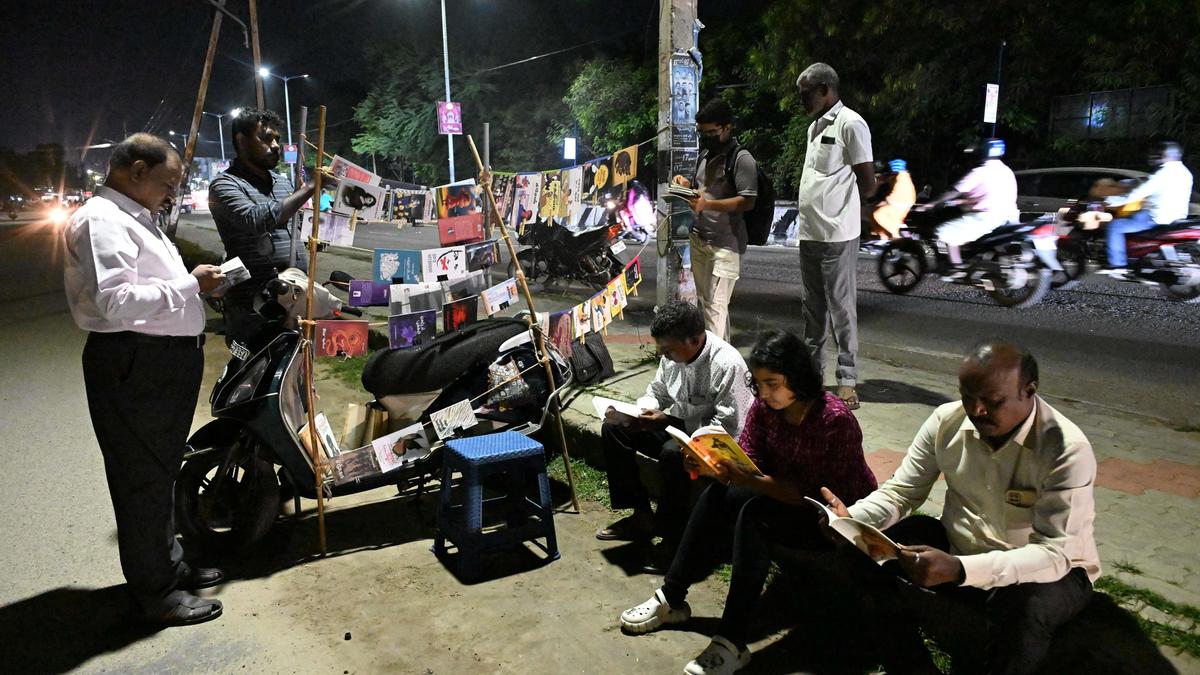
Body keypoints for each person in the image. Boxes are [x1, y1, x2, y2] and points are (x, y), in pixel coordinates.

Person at [820, 342, 1099, 674]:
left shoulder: (1065, 449)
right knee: (862, 549)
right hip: (959, 546)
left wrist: (958, 569)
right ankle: (910, 665)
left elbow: (1054, 553)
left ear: (1029, 390)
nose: (976, 410)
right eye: (968, 395)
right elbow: (902, 493)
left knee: (1023, 606)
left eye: (992, 400)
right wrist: (851, 518)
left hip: (1050, 570)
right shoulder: (947, 421)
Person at [618, 330, 878, 675]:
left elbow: (815, 495)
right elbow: (750, 457)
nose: (764, 393)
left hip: (831, 519)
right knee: (720, 493)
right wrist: (711, 464)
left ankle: (732, 639)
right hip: (778, 495)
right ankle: (671, 598)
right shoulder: (766, 408)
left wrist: (751, 480)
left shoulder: (833, 420)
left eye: (773, 384)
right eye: (759, 384)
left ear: (797, 377)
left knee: (754, 514)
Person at [63, 134, 228, 626]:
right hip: (136, 363)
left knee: (159, 472)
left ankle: (168, 566)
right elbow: (117, 301)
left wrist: (198, 292)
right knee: (141, 480)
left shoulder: (135, 218)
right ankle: (157, 593)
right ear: (136, 171)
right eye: (167, 182)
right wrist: (190, 284)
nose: (172, 193)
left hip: (159, 362)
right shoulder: (101, 221)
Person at [597, 300, 752, 572]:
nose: (663, 355)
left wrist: (670, 421)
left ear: (694, 339)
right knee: (614, 430)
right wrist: (641, 412)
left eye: (667, 349)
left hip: (715, 440)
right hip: (678, 426)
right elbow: (657, 391)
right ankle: (641, 514)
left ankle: (672, 538)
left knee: (672, 453)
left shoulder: (726, 364)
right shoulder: (672, 358)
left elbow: (727, 427)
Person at [793, 63, 875, 411]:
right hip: (809, 232)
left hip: (838, 234)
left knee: (841, 308)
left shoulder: (851, 124)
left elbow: (866, 180)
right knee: (812, 310)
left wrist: (850, 210)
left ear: (826, 88)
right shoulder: (814, 127)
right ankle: (813, 377)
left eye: (806, 93)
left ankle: (847, 380)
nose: (802, 101)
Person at [209, 107, 319, 353]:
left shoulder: (281, 182)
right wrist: (310, 188)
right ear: (241, 140)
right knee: (253, 376)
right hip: (253, 308)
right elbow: (254, 219)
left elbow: (293, 227)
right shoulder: (225, 184)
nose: (276, 145)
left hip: (293, 301)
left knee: (296, 373)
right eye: (266, 138)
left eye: (277, 139)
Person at [671, 98, 758, 342]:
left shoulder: (742, 160)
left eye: (711, 132)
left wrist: (708, 204)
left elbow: (748, 201)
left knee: (715, 309)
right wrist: (685, 184)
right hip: (699, 239)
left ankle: (715, 368)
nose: (705, 137)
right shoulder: (705, 155)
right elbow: (702, 187)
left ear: (727, 128)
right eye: (701, 133)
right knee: (710, 306)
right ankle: (724, 362)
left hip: (726, 245)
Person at [1100, 140, 1194, 276]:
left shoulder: (1163, 173)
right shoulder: (1185, 172)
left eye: (1158, 154)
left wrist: (1110, 201)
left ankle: (1118, 265)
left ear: (1165, 155)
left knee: (1115, 226)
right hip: (1177, 216)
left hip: (1155, 217)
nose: (1155, 157)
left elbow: (1137, 194)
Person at [933, 139, 1019, 265]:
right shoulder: (1007, 171)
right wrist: (962, 201)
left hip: (987, 219)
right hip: (1010, 217)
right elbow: (987, 196)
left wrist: (931, 203)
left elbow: (954, 191)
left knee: (944, 231)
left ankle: (957, 268)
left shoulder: (980, 172)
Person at [871, 158, 916, 240]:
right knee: (878, 214)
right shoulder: (899, 175)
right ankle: (884, 236)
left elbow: (898, 194)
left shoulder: (901, 177)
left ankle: (895, 235)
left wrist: (886, 201)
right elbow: (885, 179)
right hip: (902, 203)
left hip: (900, 203)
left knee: (878, 214)